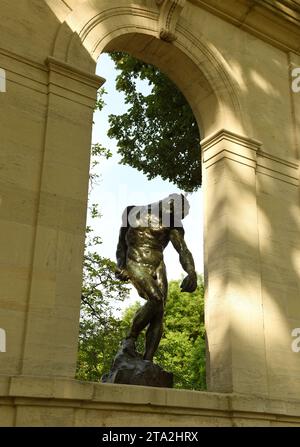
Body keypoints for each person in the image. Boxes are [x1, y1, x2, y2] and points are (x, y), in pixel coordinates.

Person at [115, 193, 197, 362]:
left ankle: (148, 360)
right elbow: (121, 243)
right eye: (178, 213)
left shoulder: (172, 222)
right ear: (170, 202)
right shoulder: (132, 212)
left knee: (159, 311)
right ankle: (130, 337)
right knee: (156, 299)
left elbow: (183, 250)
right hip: (135, 262)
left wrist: (191, 271)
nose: (176, 218)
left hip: (158, 265)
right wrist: (121, 265)